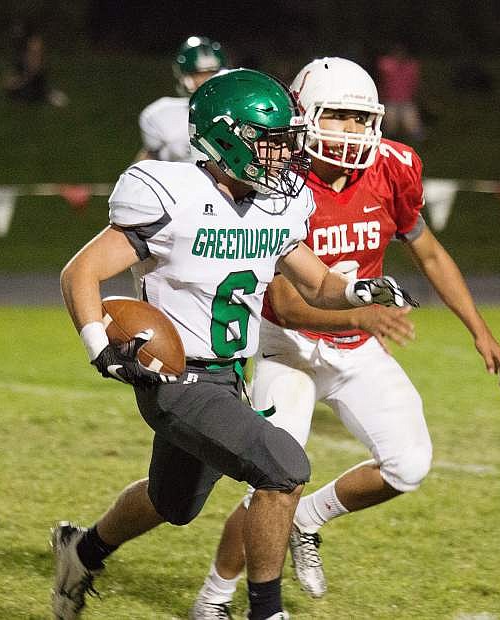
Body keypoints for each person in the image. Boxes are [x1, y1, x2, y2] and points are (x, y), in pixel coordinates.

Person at [52, 67, 414, 620]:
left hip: (228, 375)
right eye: (271, 144)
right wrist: (99, 345)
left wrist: (362, 291)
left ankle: (83, 551)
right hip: (173, 376)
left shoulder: (278, 206)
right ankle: (265, 611)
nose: (284, 158)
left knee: (171, 502)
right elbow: (81, 271)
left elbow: (316, 282)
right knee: (283, 468)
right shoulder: (172, 194)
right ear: (226, 139)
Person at [191, 57, 500, 617]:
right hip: (285, 344)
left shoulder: (395, 167)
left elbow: (428, 250)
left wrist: (480, 329)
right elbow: (289, 304)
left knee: (408, 464)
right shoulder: (275, 178)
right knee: (272, 480)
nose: (352, 131)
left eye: (361, 119)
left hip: (353, 340)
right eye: (337, 117)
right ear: (304, 115)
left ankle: (308, 521)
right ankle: (214, 597)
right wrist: (362, 317)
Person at [135, 35, 227, 163]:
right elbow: (148, 159)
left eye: (212, 74)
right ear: (185, 77)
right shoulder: (161, 114)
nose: (207, 81)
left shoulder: (238, 113)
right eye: (200, 75)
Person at [376, 44, 423, 142]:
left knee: (412, 124)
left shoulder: (410, 66)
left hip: (406, 100)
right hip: (390, 100)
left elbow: (415, 83)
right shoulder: (387, 65)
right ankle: (389, 142)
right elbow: (381, 79)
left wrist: (416, 96)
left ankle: (421, 144)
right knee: (390, 125)